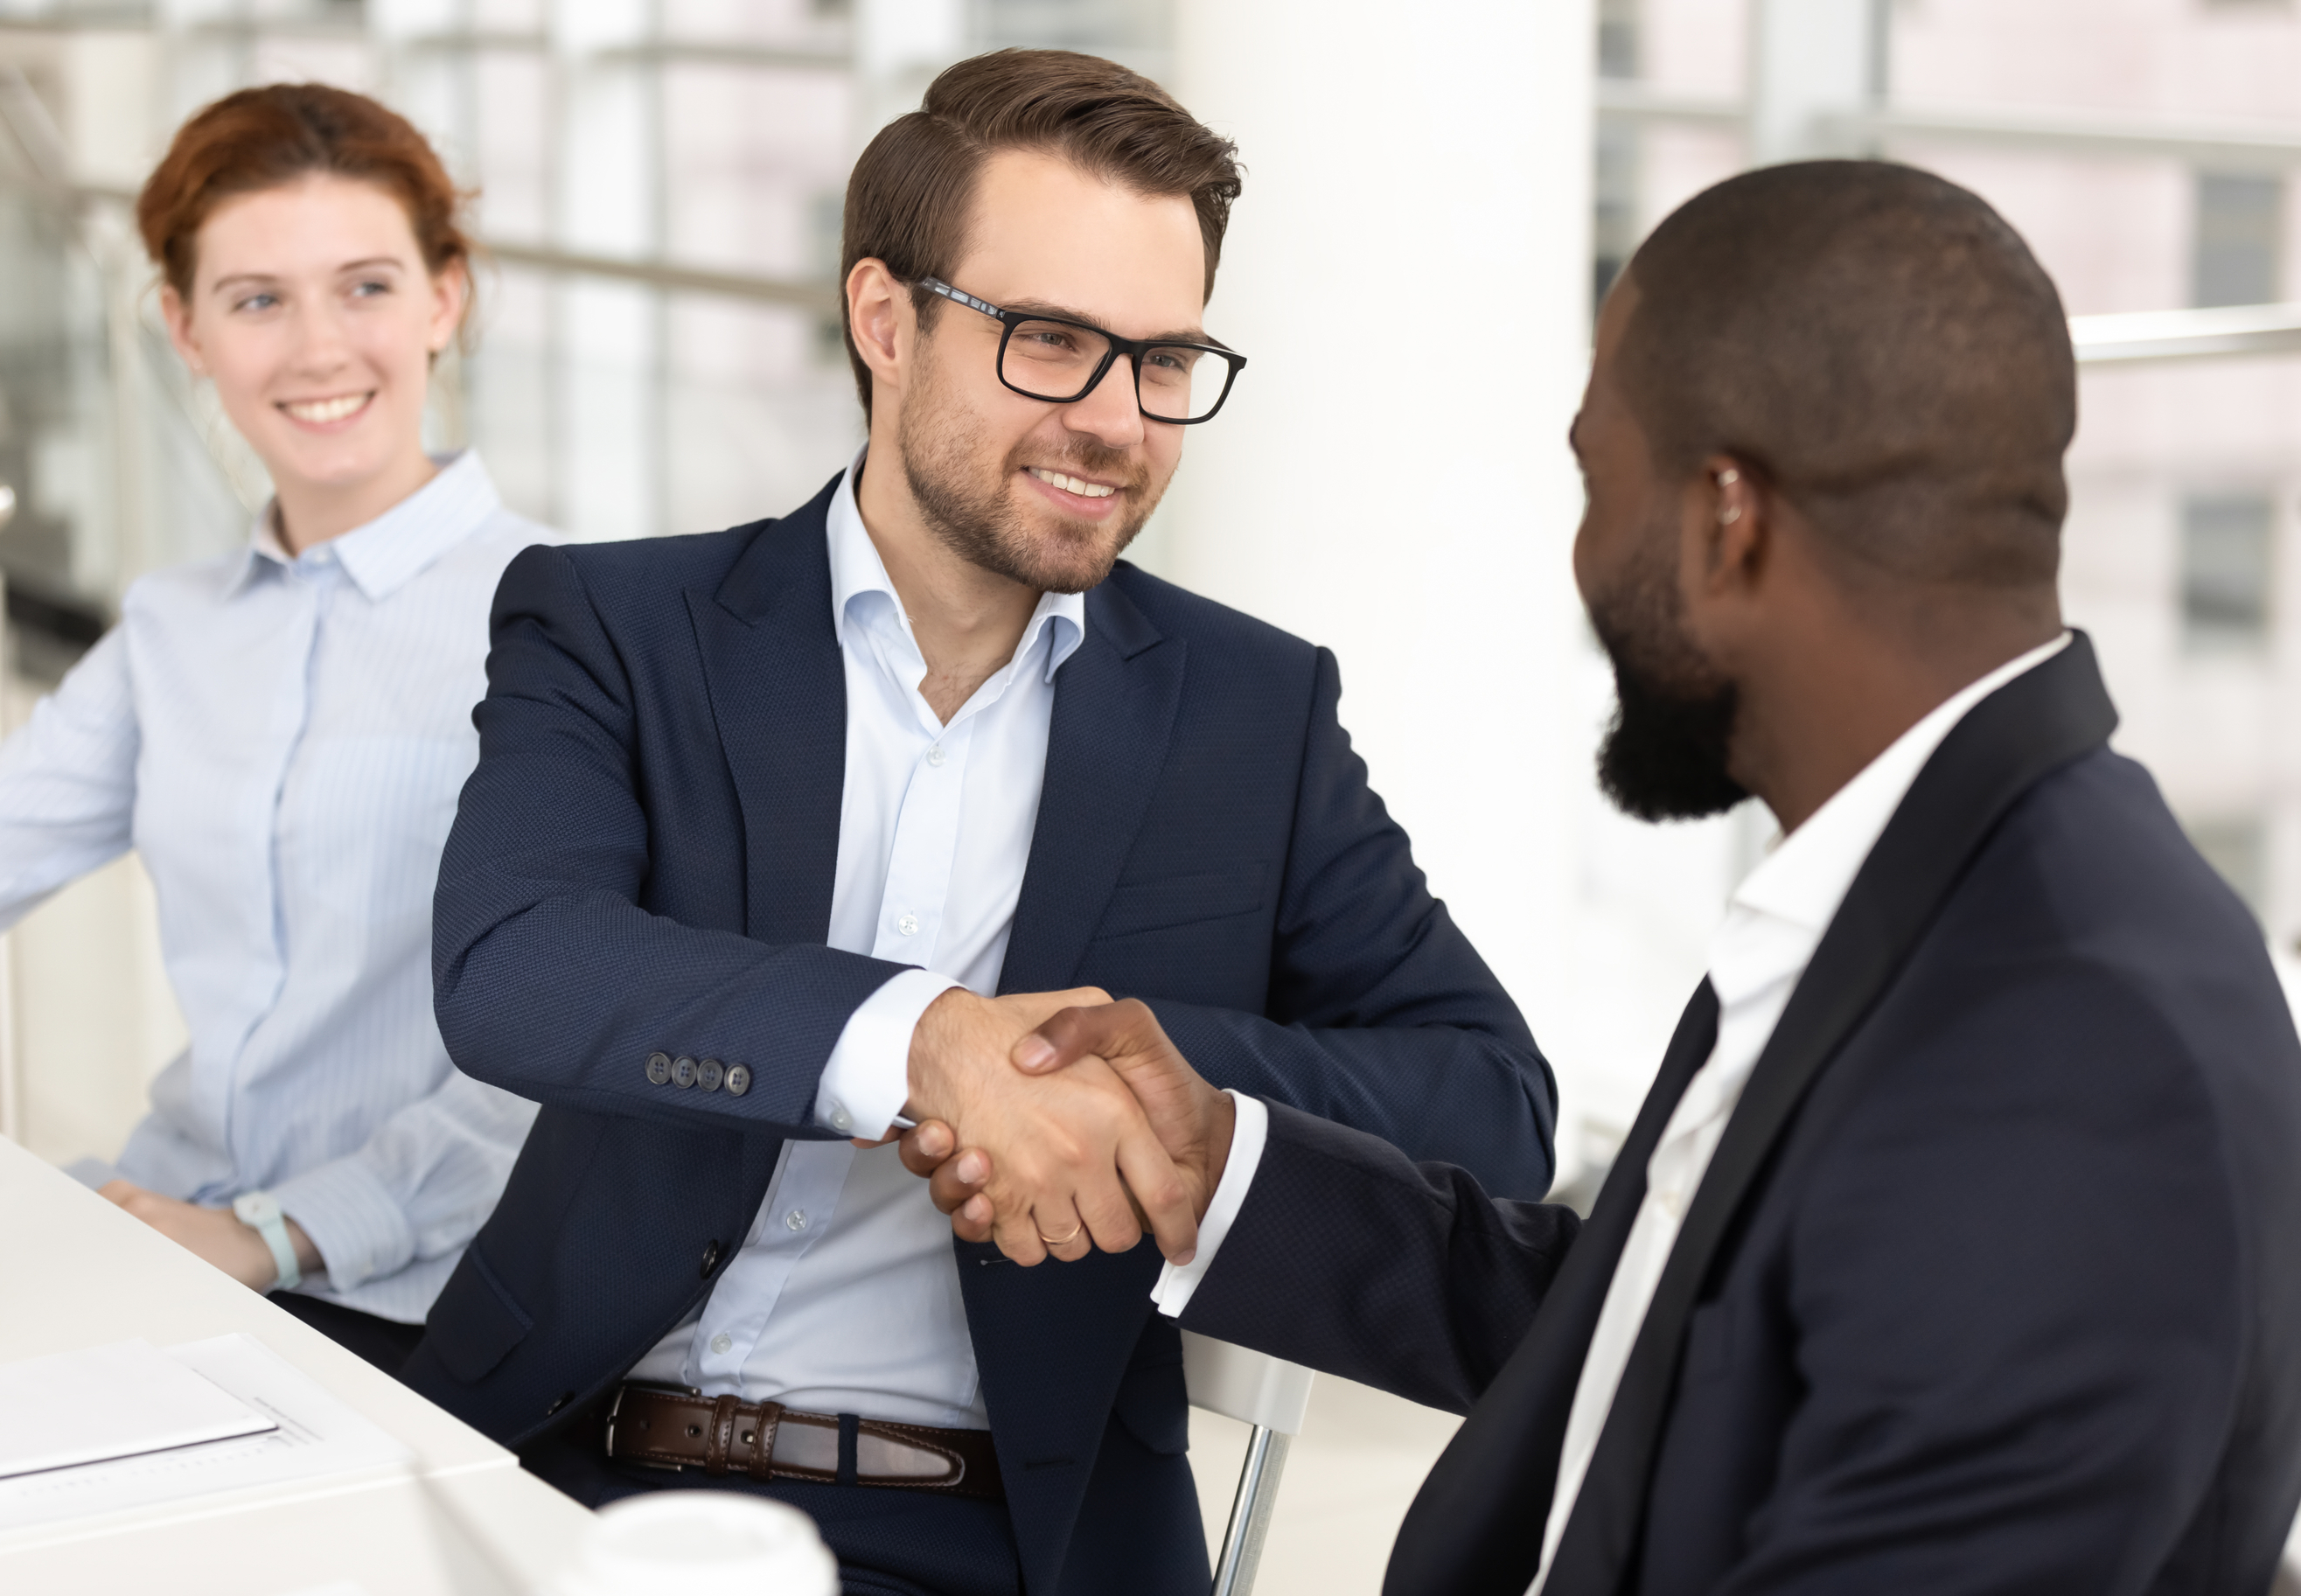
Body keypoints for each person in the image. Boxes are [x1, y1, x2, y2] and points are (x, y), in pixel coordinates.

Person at [910, 161, 2301, 1594]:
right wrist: (1223, 1164)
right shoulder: (1930, 904)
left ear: (1724, 523)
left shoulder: (2069, 1055)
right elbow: (1660, 1333)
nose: (1579, 558)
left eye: (1593, 480)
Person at [401, 47, 1556, 1596]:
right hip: (570, 1468)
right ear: (884, 320)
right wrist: (922, 1038)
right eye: (1051, 341)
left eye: (1162, 360)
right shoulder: (618, 623)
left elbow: (1494, 1102)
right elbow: (516, 963)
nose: (1116, 420)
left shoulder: (1248, 713)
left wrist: (1118, 1074)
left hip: (1007, 1534)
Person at [0, 84, 553, 1376]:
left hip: (410, 1289)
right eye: (256, 299)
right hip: (157, 1224)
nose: (315, 349)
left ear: (445, 299)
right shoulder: (172, 629)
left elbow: (561, 1061)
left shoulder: (566, 618)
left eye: (363, 286)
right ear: (185, 330)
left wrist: (279, 1234)